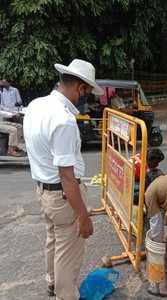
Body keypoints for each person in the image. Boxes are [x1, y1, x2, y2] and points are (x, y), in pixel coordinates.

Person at [23, 59, 104, 299]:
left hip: (44, 191)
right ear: (80, 88)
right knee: (68, 254)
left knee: (53, 239)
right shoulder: (64, 120)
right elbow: (67, 176)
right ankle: (65, 294)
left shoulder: (36, 105)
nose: (85, 98)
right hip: (63, 194)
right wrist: (83, 216)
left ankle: (52, 282)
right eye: (86, 92)